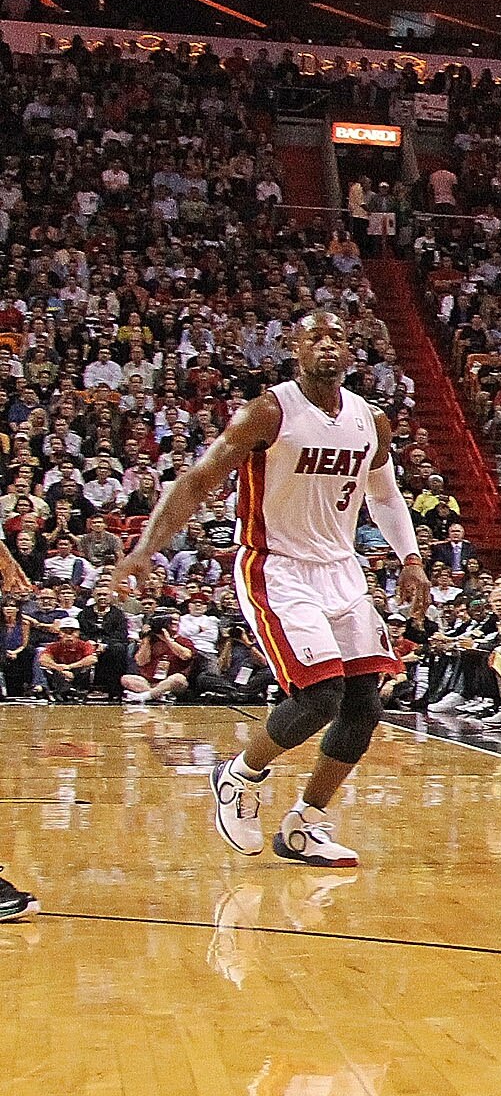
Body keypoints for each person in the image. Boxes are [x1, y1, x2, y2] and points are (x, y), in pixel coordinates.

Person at [118, 309, 419, 869]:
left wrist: (411, 558)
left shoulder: (370, 420)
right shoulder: (268, 412)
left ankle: (306, 824)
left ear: (352, 351)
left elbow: (385, 493)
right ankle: (238, 776)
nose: (328, 345)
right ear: (295, 348)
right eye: (316, 337)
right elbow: (199, 479)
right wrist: (146, 546)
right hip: (276, 566)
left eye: (338, 338)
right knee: (319, 696)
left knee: (363, 707)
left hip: (341, 568)